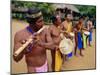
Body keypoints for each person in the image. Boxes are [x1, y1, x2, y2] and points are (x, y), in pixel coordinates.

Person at [13, 8, 56, 73]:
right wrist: (23, 50)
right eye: (40, 21)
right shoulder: (20, 35)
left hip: (45, 66)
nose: (43, 23)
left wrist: (40, 43)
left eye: (42, 20)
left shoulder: (45, 30)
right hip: (33, 70)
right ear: (32, 23)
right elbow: (16, 59)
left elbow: (53, 46)